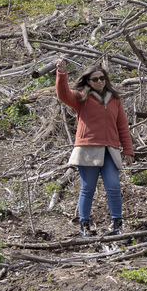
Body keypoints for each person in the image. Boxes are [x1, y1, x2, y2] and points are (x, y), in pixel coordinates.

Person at [55, 59, 135, 237]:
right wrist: (61, 74)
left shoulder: (114, 99)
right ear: (88, 81)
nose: (99, 81)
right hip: (88, 150)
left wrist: (128, 149)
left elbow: (122, 125)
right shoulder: (81, 97)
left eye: (102, 78)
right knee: (88, 188)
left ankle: (117, 225)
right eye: (95, 79)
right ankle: (84, 225)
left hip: (110, 151)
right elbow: (62, 94)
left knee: (113, 187)